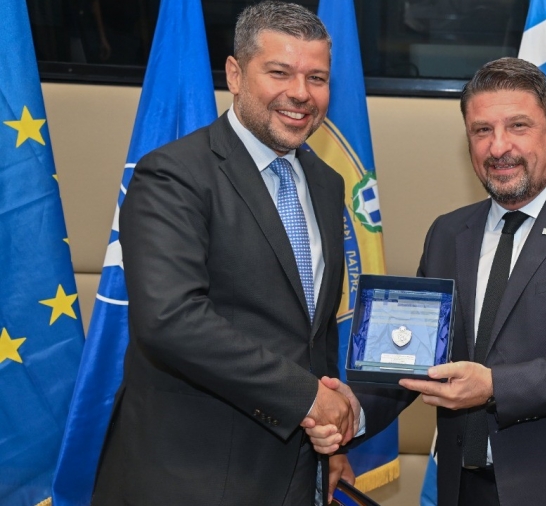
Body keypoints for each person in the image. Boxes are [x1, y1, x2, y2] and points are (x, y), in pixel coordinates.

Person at [308, 57, 546, 505]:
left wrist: (496, 385)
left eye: (518, 126)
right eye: (482, 130)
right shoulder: (448, 233)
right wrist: (350, 413)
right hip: (465, 490)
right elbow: (415, 357)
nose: (499, 147)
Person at [92, 3, 360, 504]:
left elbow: (313, 333)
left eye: (317, 78)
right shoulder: (173, 175)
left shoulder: (326, 184)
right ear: (235, 75)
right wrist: (307, 398)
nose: (301, 93)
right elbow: (170, 319)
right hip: (190, 475)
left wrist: (332, 442)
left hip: (294, 473)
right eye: (279, 72)